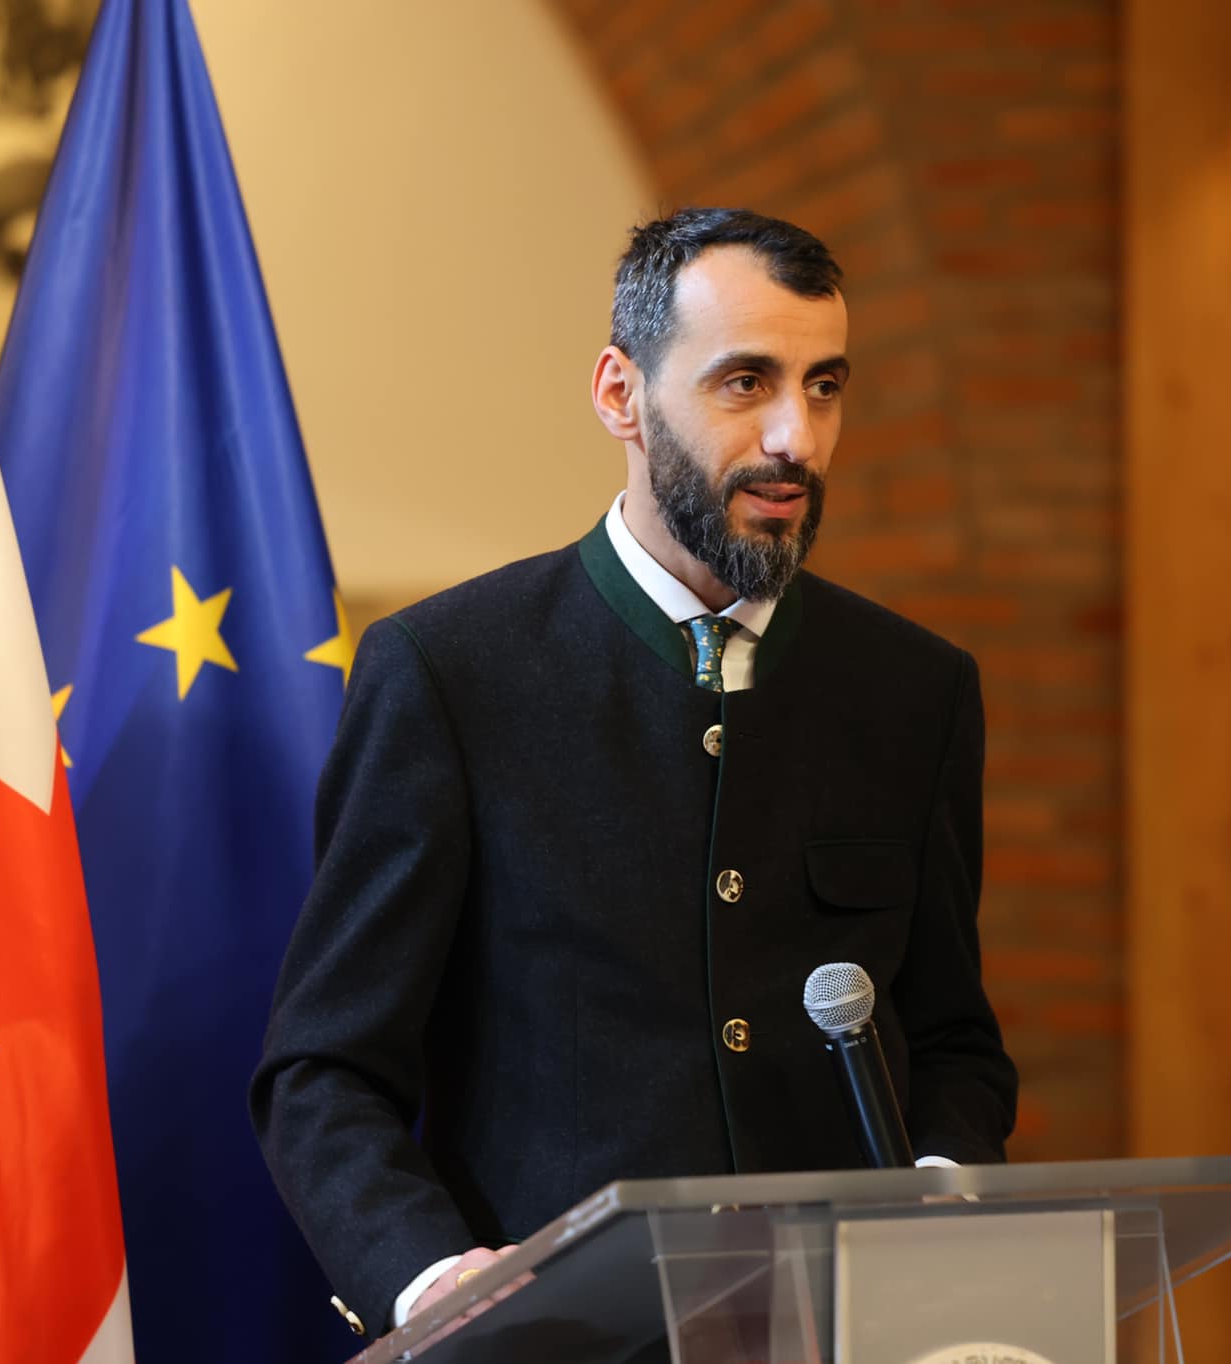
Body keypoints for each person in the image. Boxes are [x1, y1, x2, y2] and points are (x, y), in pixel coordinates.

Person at [250, 208, 1018, 1342]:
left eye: (824, 387)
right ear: (621, 394)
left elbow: (950, 1040)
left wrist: (942, 1198)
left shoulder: (916, 689)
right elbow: (324, 1070)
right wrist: (434, 1279)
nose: (796, 437)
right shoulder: (449, 672)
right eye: (745, 382)